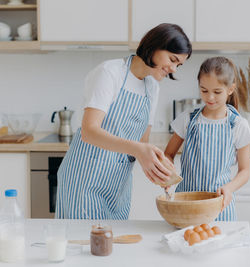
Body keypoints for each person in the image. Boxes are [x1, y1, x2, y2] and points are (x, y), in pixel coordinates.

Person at [56, 23, 192, 220]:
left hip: (118, 187)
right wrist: (138, 150)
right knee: (85, 246)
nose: (173, 69)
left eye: (178, 65)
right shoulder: (110, 73)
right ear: (154, 46)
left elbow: (142, 142)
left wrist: (159, 168)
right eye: (172, 59)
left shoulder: (152, 87)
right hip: (85, 181)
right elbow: (89, 131)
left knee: (113, 246)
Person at [164, 57, 250, 221]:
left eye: (217, 92)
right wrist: (167, 172)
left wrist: (229, 188)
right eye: (204, 90)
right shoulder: (188, 119)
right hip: (185, 204)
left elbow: (245, 171)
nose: (210, 97)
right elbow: (168, 153)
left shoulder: (238, 125)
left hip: (219, 206)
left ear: (231, 89)